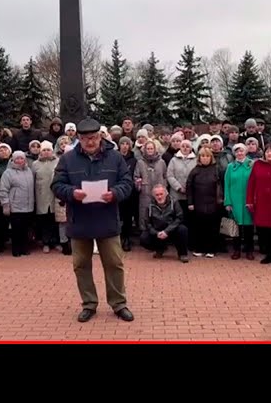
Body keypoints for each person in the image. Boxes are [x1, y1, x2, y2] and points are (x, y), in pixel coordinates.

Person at [51, 117, 135, 323]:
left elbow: (127, 182)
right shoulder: (68, 159)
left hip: (107, 219)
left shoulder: (115, 157)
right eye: (86, 138)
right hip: (79, 220)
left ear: (101, 137)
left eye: (94, 137)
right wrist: (72, 193)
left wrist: (114, 193)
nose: (90, 142)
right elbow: (56, 185)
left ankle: (119, 303)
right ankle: (89, 304)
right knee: (81, 265)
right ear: (79, 138)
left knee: (114, 263)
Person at [140, 184, 190, 262]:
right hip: (158, 232)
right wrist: (156, 233)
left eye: (161, 194)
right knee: (144, 238)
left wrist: (167, 231)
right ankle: (160, 249)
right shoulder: (149, 206)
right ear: (153, 196)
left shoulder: (174, 202)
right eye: (157, 195)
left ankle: (182, 254)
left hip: (171, 230)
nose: (159, 197)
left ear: (166, 194)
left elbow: (179, 218)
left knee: (183, 229)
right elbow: (147, 223)